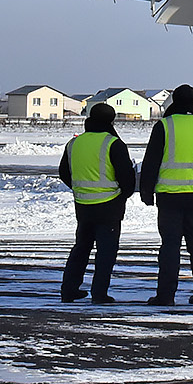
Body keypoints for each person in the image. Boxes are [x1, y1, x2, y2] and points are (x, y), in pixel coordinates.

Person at [139, 84, 193, 305]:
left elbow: (151, 161)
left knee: (170, 246)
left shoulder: (165, 126)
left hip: (170, 196)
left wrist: (146, 190)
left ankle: (166, 295)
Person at [57, 102, 135, 303]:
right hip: (109, 205)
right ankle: (99, 293)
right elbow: (127, 177)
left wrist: (81, 189)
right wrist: (123, 194)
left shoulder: (74, 143)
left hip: (83, 204)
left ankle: (69, 289)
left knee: (81, 248)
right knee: (106, 252)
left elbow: (64, 173)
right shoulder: (113, 143)